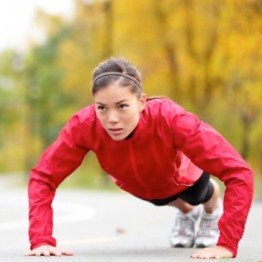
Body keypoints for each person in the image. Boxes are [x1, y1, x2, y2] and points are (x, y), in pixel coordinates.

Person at [26, 57, 253, 259]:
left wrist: (227, 244)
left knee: (197, 195)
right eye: (102, 108)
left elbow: (238, 172)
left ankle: (211, 209)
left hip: (185, 177)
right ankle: (187, 214)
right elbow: (43, 177)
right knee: (157, 197)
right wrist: (41, 240)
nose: (111, 118)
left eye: (122, 106)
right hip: (139, 183)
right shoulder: (84, 125)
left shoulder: (171, 118)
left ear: (142, 101)